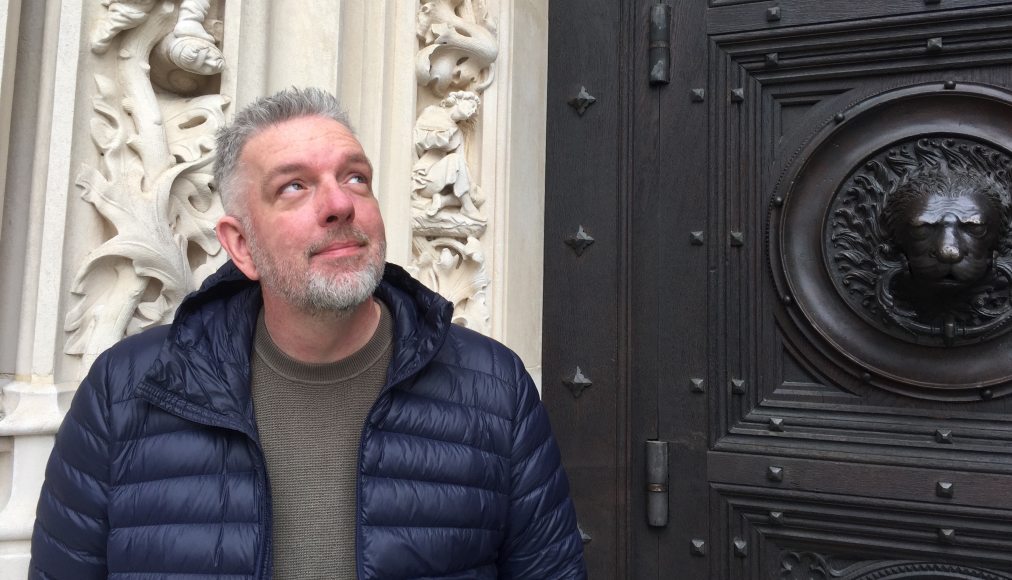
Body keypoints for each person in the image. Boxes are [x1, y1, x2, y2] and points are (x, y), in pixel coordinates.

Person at [30, 87, 587, 579]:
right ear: (241, 245)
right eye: (294, 186)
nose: (340, 204)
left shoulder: (494, 389)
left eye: (354, 178)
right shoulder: (124, 393)